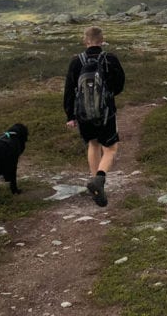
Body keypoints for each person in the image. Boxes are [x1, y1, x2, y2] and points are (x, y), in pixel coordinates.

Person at [64, 25, 125, 207]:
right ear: (102, 40)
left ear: (85, 41)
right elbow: (120, 84)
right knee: (111, 149)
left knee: (93, 144)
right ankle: (99, 179)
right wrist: (108, 95)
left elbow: (69, 90)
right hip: (106, 112)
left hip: (83, 114)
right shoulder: (109, 59)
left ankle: (95, 184)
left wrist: (70, 116)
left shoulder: (77, 62)